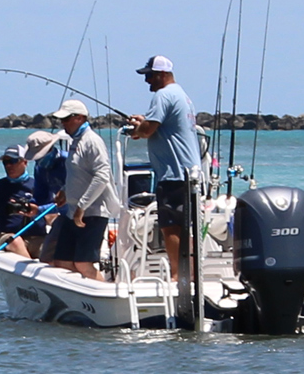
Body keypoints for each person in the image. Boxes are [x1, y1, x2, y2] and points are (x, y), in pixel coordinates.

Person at [127, 55, 202, 282]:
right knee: (185, 227)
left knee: (171, 228)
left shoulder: (163, 95)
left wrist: (137, 129)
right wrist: (144, 123)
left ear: (161, 75)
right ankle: (191, 274)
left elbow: (148, 130)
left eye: (149, 75)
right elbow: (160, 125)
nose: (147, 81)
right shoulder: (182, 95)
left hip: (174, 174)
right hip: (189, 173)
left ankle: (178, 276)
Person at [49, 99, 118, 281]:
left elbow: (102, 176)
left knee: (83, 263)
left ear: (80, 118)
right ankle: (81, 298)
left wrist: (82, 206)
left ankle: (105, 294)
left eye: (66, 118)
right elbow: (78, 173)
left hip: (92, 212)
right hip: (74, 212)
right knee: (61, 261)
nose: (63, 123)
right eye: (61, 119)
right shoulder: (74, 141)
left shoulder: (92, 141)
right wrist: (65, 190)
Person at [0, 144, 47, 259]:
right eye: (5, 162)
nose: (9, 166)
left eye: (13, 161)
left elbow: (52, 212)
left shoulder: (38, 186)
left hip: (37, 237)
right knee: (15, 240)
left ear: (24, 162)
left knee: (56, 248)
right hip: (8, 237)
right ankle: (28, 268)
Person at [24, 130, 68, 262]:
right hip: (64, 214)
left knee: (69, 259)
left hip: (82, 213)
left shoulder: (68, 162)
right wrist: (30, 206)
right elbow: (41, 196)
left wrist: (41, 210)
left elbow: (72, 200)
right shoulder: (40, 168)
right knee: (46, 257)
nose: (38, 161)